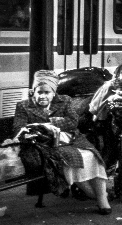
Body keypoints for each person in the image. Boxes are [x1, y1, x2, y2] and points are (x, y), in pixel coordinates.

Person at [11, 70, 111, 214]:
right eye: (39, 92)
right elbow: (17, 129)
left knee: (92, 155)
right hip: (43, 145)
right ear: (33, 91)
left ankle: (101, 196)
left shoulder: (65, 100)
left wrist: (55, 123)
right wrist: (37, 129)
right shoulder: (23, 106)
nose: (42, 96)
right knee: (72, 159)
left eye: (47, 92)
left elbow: (73, 121)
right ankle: (100, 198)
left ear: (53, 93)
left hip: (71, 139)